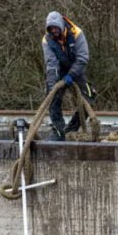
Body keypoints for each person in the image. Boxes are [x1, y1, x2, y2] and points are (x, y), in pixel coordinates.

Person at [42, 11, 96, 141]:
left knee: (89, 96)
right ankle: (59, 132)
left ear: (61, 26)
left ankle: (72, 129)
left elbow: (82, 58)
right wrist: (53, 84)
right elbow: (51, 63)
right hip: (59, 69)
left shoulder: (77, 33)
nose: (54, 31)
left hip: (76, 68)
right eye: (51, 29)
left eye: (56, 28)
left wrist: (71, 75)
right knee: (52, 97)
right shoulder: (47, 40)